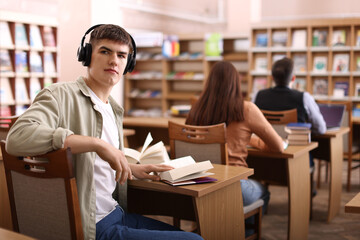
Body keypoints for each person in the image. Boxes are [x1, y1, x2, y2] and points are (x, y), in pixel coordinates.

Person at [6, 24, 203, 240]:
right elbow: (17, 137)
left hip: (115, 213)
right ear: (87, 55)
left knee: (192, 234)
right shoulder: (59, 95)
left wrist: (131, 168)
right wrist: (97, 144)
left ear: (128, 63)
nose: (114, 60)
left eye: (121, 55)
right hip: (93, 226)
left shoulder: (114, 109)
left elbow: (98, 168)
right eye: (105, 51)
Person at [185, 61, 284, 236]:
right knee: (264, 192)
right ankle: (240, 233)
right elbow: (278, 147)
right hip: (232, 186)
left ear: (209, 82)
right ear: (236, 83)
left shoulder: (196, 108)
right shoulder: (246, 108)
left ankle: (211, 229)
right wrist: (253, 141)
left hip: (199, 183)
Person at [253, 57, 327, 169]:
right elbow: (321, 129)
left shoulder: (258, 96)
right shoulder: (304, 97)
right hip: (296, 160)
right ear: (293, 78)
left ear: (272, 78)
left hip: (265, 159)